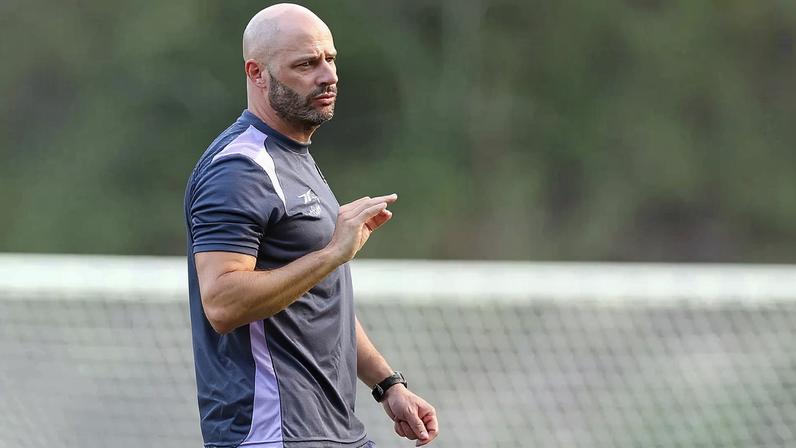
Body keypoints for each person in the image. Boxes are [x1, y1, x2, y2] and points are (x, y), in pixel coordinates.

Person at [183, 4, 439, 448]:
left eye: (330, 59)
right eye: (306, 64)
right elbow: (222, 303)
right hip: (272, 434)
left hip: (331, 432)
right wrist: (330, 254)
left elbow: (319, 298)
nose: (328, 75)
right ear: (257, 73)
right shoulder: (241, 168)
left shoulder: (294, 157)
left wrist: (387, 384)